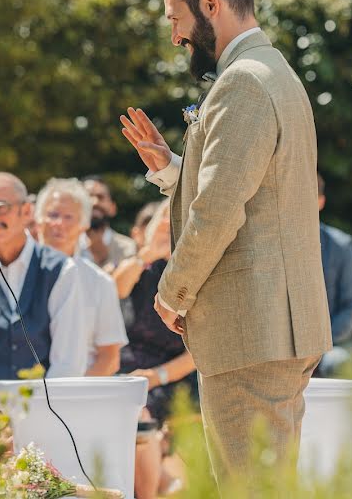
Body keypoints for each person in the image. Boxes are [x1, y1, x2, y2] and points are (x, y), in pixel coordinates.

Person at [121, 0, 332, 483]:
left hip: (251, 330)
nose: (175, 37)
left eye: (176, 19)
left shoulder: (242, 83)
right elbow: (256, 191)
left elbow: (218, 210)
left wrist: (172, 292)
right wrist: (171, 170)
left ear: (209, 3)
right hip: (274, 327)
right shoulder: (272, 72)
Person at [0, 172, 87, 397]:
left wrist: (36, 420)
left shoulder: (62, 271)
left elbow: (67, 365)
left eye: (0, 207)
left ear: (27, 211)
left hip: (49, 413)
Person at [119, 201, 196, 499]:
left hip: (176, 373)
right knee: (132, 409)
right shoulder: (138, 265)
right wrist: (148, 252)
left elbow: (199, 351)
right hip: (129, 370)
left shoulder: (191, 270)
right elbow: (115, 289)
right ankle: (157, 486)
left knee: (142, 413)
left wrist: (156, 376)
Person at [35, 178, 128, 376]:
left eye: (68, 217)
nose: (58, 223)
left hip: (78, 392)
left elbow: (109, 357)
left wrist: (74, 396)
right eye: (52, 214)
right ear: (38, 219)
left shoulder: (100, 282)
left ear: (84, 224)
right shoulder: (13, 273)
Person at [316, 173, 352, 377]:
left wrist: (321, 343)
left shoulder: (341, 245)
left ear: (321, 201)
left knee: (337, 363)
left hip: (333, 343)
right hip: (288, 348)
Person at [82, 176, 137, 271]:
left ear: (113, 208)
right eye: (88, 196)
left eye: (101, 197)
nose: (94, 202)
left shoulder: (129, 248)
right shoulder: (64, 245)